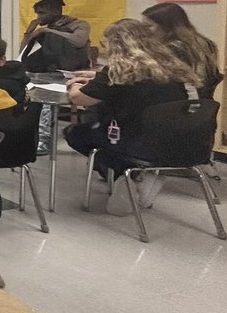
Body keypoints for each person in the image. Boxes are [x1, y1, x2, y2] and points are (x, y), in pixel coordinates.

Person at [65, 19, 198, 211]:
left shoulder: (117, 71)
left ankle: (130, 174)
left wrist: (74, 84)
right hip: (179, 140)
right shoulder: (171, 64)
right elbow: (139, 81)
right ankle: (136, 176)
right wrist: (97, 77)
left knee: (76, 133)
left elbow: (79, 99)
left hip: (137, 143)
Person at [142, 2, 221, 99]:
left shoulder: (172, 50)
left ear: (167, 27)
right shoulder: (206, 43)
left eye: (148, 26)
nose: (143, 31)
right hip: (204, 105)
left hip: (182, 104)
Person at [20, 0, 91, 71]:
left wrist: (47, 31)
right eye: (38, 14)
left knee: (52, 35)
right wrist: (28, 33)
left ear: (56, 11)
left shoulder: (79, 24)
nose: (39, 17)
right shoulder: (44, 30)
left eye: (42, 13)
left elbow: (79, 42)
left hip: (75, 68)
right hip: (49, 69)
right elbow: (23, 53)